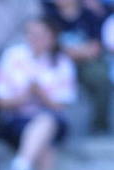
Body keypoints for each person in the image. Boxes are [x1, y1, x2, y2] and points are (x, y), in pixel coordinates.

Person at [0, 16, 77, 170]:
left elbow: (63, 105)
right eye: (31, 34)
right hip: (16, 120)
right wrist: (22, 97)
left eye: (41, 35)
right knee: (46, 138)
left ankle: (21, 165)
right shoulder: (13, 56)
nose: (36, 39)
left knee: (47, 122)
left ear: (52, 37)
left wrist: (41, 95)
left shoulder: (62, 62)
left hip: (52, 120)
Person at [41, 0, 110, 133]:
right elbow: (47, 43)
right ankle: (48, 125)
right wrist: (67, 52)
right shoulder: (49, 15)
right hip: (56, 61)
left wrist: (73, 52)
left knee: (101, 76)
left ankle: (99, 125)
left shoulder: (89, 14)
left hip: (86, 62)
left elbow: (96, 46)